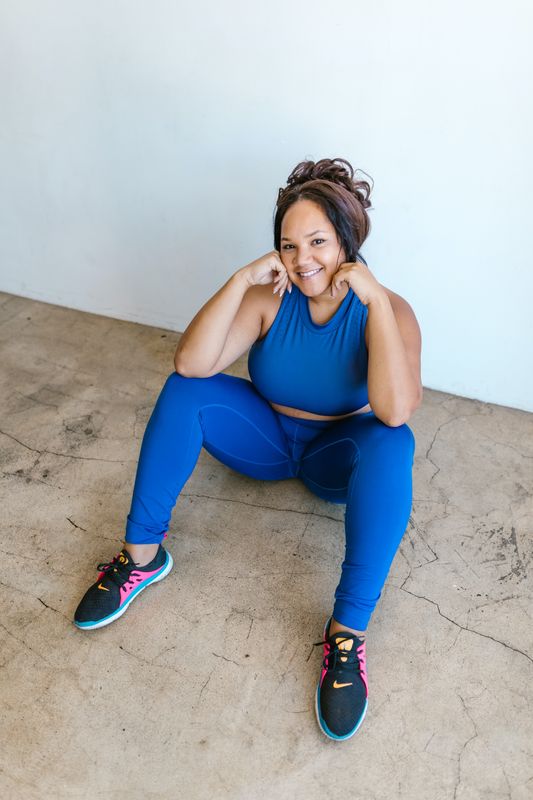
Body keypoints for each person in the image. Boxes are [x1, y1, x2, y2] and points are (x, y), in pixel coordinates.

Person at [74, 157, 422, 741]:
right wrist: (241, 281)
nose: (302, 258)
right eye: (289, 245)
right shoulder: (271, 297)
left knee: (394, 443)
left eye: (317, 241)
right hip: (264, 443)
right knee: (186, 392)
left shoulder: (390, 311)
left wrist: (377, 304)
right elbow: (191, 364)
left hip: (335, 456)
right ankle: (140, 560)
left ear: (347, 242)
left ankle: (347, 635)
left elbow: (393, 410)